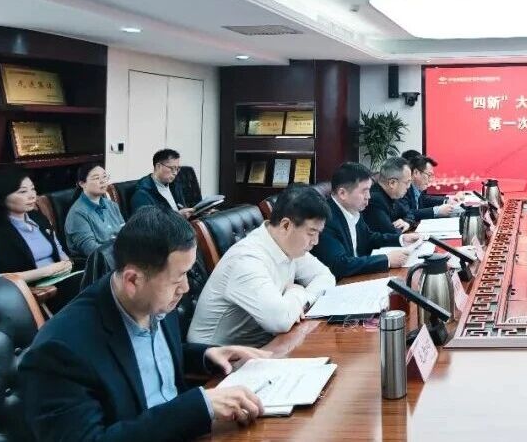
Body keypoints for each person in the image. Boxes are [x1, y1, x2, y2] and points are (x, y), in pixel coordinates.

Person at [19, 207, 270, 440]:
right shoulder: (60, 350)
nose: (185, 287)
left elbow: (146, 358)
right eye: (178, 278)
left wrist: (205, 355)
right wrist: (199, 407)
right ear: (132, 280)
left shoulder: (155, 298)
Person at [188, 186, 336, 347]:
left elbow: (326, 277)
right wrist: (296, 292)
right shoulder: (247, 259)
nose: (316, 241)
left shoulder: (287, 245)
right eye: (311, 233)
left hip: (265, 345)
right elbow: (280, 321)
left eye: (318, 233)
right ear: (286, 226)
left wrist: (302, 298)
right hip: (217, 357)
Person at [0, 165, 77, 311]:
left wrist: (66, 263)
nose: (32, 196)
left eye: (33, 189)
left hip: (61, 278)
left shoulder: (38, 217)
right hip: (29, 292)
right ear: (1, 196)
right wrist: (46, 271)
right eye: (23, 191)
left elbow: (59, 250)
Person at [313, 162, 421, 278]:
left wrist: (401, 239)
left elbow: (369, 238)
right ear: (342, 193)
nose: (368, 196)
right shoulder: (325, 219)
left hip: (358, 276)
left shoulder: (352, 209)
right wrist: (387, 260)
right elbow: (340, 265)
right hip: (341, 283)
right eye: (364, 191)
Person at [65, 163, 125, 258]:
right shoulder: (77, 213)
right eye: (96, 178)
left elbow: (125, 233)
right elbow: (91, 249)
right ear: (82, 184)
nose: (103, 181)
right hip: (97, 262)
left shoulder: (112, 205)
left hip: (121, 256)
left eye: (104, 177)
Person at [132, 148, 195, 218]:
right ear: (158, 166)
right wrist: (177, 216)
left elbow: (182, 207)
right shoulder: (142, 193)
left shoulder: (174, 184)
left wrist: (193, 216)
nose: (175, 173)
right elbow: (149, 222)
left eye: (177, 169)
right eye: (172, 168)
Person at [363, 157, 416, 235]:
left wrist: (406, 222)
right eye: (407, 182)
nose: (408, 187)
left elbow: (410, 213)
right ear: (392, 183)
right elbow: (391, 232)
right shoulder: (374, 200)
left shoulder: (392, 194)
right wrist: (405, 226)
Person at [401, 155, 459, 221]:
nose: (430, 180)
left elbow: (425, 199)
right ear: (416, 173)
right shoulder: (403, 189)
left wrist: (447, 200)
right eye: (429, 175)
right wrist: (437, 211)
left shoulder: (417, 188)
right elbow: (407, 214)